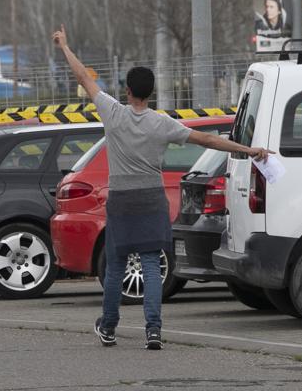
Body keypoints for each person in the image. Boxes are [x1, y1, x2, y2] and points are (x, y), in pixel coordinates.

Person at [52, 25, 271, 351]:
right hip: (152, 199)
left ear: (127, 91)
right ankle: (153, 331)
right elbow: (208, 139)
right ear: (150, 93)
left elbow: (84, 77)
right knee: (152, 264)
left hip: (122, 201)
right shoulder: (162, 123)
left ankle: (109, 327)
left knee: (115, 266)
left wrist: (64, 46)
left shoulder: (113, 114)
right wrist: (249, 151)